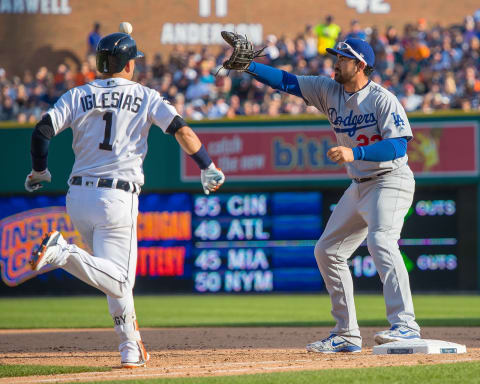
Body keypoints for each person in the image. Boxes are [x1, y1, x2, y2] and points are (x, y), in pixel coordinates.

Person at [24, 32, 225, 367]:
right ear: (130, 64)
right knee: (120, 280)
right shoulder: (146, 97)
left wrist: (40, 171)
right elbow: (183, 131)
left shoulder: (78, 94)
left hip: (78, 196)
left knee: (109, 277)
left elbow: (42, 130)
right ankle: (62, 251)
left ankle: (130, 347)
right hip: (116, 197)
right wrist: (208, 166)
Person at [221, 34, 420, 352]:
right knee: (327, 250)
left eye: (342, 58)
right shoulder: (328, 89)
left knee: (380, 240)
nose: (336, 62)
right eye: (337, 56)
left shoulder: (382, 99)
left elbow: (398, 144)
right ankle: (346, 334)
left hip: (390, 180)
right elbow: (287, 82)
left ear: (360, 64)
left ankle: (406, 325)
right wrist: (250, 67)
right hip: (359, 185)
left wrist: (354, 154)